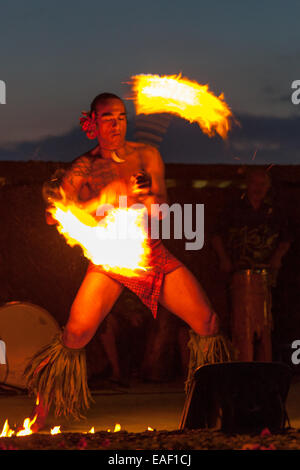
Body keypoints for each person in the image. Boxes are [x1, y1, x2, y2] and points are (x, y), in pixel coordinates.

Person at [25, 93, 231, 430]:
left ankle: (216, 407)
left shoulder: (147, 155)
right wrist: (101, 200)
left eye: (121, 116)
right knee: (75, 333)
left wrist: (147, 192)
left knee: (207, 323)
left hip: (149, 253)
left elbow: (161, 208)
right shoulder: (83, 167)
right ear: (93, 123)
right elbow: (54, 215)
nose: (117, 123)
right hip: (109, 258)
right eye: (108, 117)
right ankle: (42, 415)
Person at [212, 168, 291, 361]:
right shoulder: (233, 209)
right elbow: (215, 235)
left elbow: (287, 238)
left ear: (268, 187)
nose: (259, 188)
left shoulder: (274, 211)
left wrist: (277, 258)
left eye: (263, 184)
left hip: (267, 273)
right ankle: (242, 362)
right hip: (238, 272)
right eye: (255, 183)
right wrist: (224, 259)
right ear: (248, 184)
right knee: (240, 321)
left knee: (266, 323)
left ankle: (266, 364)